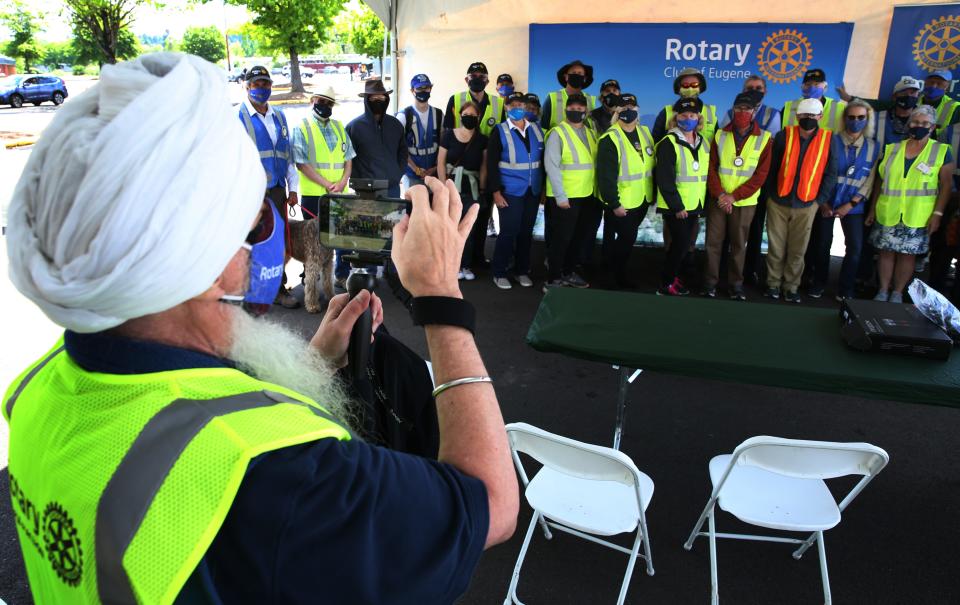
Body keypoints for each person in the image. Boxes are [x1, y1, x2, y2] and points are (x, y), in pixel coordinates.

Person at [3, 52, 518, 605]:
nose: (259, 248)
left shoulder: (36, 390)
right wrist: (441, 298)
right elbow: (490, 503)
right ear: (206, 262)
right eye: (257, 223)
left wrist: (315, 360)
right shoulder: (281, 475)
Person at [867, 105, 954, 302]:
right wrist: (872, 208)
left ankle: (897, 292)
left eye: (925, 123)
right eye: (915, 122)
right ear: (909, 124)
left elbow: (947, 185)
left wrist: (938, 215)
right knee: (886, 252)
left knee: (908, 256)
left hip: (918, 215)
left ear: (932, 127)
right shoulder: (892, 149)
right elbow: (880, 180)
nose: (919, 126)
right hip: (889, 210)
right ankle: (882, 290)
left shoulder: (942, 151)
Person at [763, 98, 838, 303]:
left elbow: (831, 174)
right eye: (804, 115)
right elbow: (771, 167)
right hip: (778, 201)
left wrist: (818, 201)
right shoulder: (783, 136)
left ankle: (791, 286)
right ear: (797, 116)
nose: (808, 119)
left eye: (813, 116)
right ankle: (773, 284)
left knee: (798, 249)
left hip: (807, 204)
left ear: (820, 117)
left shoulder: (829, 139)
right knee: (776, 247)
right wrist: (771, 194)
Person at [238, 65, 300, 309]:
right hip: (249, 192)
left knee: (277, 242)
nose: (262, 88)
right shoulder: (237, 118)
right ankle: (248, 292)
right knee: (251, 241)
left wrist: (292, 188)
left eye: (265, 84)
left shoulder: (280, 117)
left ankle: (277, 288)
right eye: (256, 84)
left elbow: (287, 155)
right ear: (247, 87)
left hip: (276, 190)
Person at [704, 91, 773, 300]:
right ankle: (709, 283)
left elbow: (760, 176)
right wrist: (721, 195)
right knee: (712, 243)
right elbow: (711, 168)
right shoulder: (719, 135)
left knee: (738, 245)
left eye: (747, 109)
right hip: (718, 200)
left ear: (754, 112)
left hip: (745, 203)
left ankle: (735, 285)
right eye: (738, 108)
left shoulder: (765, 139)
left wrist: (733, 197)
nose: (742, 112)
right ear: (733, 110)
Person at [808, 99, 879, 301]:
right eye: (851, 117)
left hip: (853, 205)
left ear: (867, 120)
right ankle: (818, 282)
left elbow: (870, 179)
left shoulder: (874, 147)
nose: (855, 121)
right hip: (826, 202)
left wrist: (852, 203)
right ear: (844, 119)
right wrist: (822, 202)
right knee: (822, 244)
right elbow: (818, 171)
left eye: (860, 118)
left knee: (855, 248)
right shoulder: (830, 140)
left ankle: (845, 289)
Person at [596, 93, 656, 289]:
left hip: (642, 198)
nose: (628, 112)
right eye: (623, 109)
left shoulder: (645, 132)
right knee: (626, 240)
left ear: (638, 110)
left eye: (632, 109)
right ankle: (616, 278)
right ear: (616, 112)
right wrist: (614, 203)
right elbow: (606, 176)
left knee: (626, 240)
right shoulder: (610, 138)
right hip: (622, 203)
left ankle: (614, 270)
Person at [486, 91, 545, 289]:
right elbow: (492, 164)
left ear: (527, 108)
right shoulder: (499, 131)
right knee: (509, 232)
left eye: (521, 105)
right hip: (510, 191)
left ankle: (522, 271)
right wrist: (495, 191)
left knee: (526, 233)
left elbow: (542, 162)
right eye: (512, 106)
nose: (517, 109)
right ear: (506, 108)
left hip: (533, 191)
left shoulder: (537, 130)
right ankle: (499, 272)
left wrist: (543, 189)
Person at [656, 97, 709, 296]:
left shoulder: (703, 142)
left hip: (695, 204)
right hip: (676, 207)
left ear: (698, 118)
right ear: (676, 118)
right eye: (684, 115)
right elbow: (665, 179)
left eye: (692, 115)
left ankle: (670, 276)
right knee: (680, 244)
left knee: (684, 245)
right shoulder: (668, 142)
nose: (688, 118)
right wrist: (677, 207)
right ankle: (665, 283)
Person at [543, 93, 597, 290]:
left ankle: (568, 272)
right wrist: (560, 195)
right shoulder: (558, 133)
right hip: (565, 197)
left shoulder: (591, 133)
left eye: (580, 110)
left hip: (587, 195)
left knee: (578, 237)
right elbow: (552, 166)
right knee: (561, 238)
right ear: (566, 110)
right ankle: (553, 279)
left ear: (586, 111)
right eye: (572, 109)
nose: (576, 112)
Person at [438, 101, 488, 281]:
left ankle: (465, 264)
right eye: (466, 115)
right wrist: (443, 186)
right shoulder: (448, 135)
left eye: (473, 116)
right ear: (460, 116)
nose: (470, 118)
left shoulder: (482, 139)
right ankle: (450, 265)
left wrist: (482, 189)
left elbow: (483, 167)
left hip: (471, 188)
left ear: (479, 118)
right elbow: (441, 162)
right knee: (449, 227)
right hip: (451, 187)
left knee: (468, 228)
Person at [292, 86, 355, 224]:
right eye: (321, 101)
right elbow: (301, 164)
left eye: (329, 103)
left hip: (339, 194)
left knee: (340, 238)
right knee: (317, 243)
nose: (325, 106)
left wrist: (343, 182)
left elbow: (348, 159)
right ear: (312, 100)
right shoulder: (301, 127)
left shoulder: (339, 127)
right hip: (314, 197)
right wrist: (329, 186)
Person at [840, 70, 960, 136]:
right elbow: (878, 104)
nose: (934, 86)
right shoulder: (915, 99)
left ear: (947, 86)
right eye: (931, 82)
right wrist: (850, 99)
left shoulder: (955, 108)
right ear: (925, 83)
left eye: (939, 84)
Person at [398, 73, 442, 189]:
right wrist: (416, 169)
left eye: (426, 87)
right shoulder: (404, 116)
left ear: (430, 89)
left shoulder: (438, 114)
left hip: (434, 175)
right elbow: (399, 148)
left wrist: (436, 168)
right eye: (419, 88)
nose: (423, 91)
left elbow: (443, 144)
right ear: (412, 90)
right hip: (412, 176)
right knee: (413, 206)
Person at [652, 68, 718, 143]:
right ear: (679, 88)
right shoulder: (666, 112)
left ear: (700, 87)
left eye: (694, 84)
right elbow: (655, 142)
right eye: (685, 85)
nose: (690, 88)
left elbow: (716, 145)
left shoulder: (710, 112)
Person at [444, 61, 505, 137]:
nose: (477, 79)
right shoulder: (454, 100)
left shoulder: (499, 102)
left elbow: (503, 133)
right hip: (461, 147)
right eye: (473, 76)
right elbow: (448, 131)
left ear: (487, 82)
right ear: (466, 80)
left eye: (482, 77)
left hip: (489, 148)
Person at [782, 68, 846, 132]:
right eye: (808, 84)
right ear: (802, 86)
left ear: (825, 86)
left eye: (816, 84)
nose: (812, 88)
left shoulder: (839, 108)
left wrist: (850, 98)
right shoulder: (789, 106)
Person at [542, 60, 597, 129]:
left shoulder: (590, 100)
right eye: (573, 73)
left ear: (584, 78)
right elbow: (543, 127)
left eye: (580, 73)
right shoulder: (552, 98)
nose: (576, 75)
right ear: (566, 77)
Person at [874, 77, 923, 147]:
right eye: (904, 92)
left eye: (913, 93)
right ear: (894, 96)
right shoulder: (878, 118)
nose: (909, 96)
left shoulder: (924, 120)